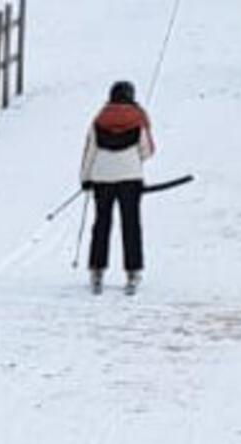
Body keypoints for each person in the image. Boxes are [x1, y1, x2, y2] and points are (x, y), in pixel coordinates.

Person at [80, 81, 156, 296]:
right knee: (131, 224)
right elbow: (147, 150)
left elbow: (90, 151)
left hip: (102, 177)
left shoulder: (99, 118)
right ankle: (132, 271)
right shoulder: (138, 118)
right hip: (130, 178)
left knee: (101, 223)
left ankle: (97, 270)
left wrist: (85, 179)